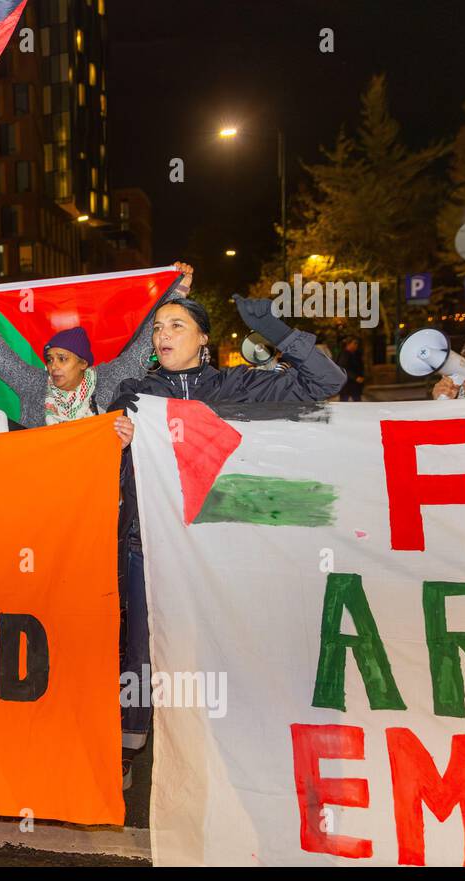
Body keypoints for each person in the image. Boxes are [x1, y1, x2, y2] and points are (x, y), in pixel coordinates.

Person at [110, 295, 346, 788]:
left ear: (203, 340)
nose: (163, 335)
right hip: (145, 542)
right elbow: (102, 461)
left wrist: (278, 332)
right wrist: (115, 436)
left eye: (177, 325)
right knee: (142, 650)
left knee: (223, 642)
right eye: (157, 328)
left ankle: (231, 748)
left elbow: (326, 382)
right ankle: (129, 745)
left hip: (221, 545)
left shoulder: (238, 386)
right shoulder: (135, 393)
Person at [0, 262, 194, 428]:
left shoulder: (108, 380)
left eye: (63, 359)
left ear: (83, 363)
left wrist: (178, 291)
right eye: (50, 359)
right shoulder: (35, 386)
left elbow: (143, 347)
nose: (53, 366)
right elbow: (1, 359)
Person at [338, 336, 365, 400]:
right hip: (346, 384)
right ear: (348, 344)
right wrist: (355, 377)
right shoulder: (344, 354)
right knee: (344, 403)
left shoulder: (357, 354)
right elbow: (343, 368)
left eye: (357, 343)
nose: (356, 345)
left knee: (357, 402)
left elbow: (360, 367)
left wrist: (361, 376)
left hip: (355, 384)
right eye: (354, 343)